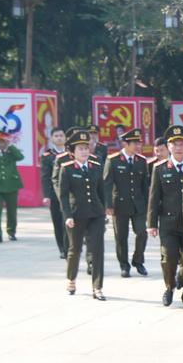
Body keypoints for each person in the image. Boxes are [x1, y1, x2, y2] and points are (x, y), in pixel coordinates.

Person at [148, 125, 183, 308]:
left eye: (182, 144)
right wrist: (151, 223)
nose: (178, 147)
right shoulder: (160, 168)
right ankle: (169, 287)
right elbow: (154, 198)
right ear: (169, 146)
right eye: (174, 144)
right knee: (168, 259)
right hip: (168, 223)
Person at [57, 129, 107, 301]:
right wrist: (67, 216)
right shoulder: (67, 169)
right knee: (75, 250)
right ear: (72, 152)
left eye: (86, 147)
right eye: (80, 148)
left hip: (95, 214)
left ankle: (97, 287)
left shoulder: (96, 167)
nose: (85, 151)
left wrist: (104, 211)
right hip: (76, 215)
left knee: (97, 250)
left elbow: (102, 191)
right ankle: (71, 279)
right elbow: (63, 196)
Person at [103, 128, 150, 277]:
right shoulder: (113, 160)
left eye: (139, 143)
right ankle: (124, 264)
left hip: (139, 204)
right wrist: (108, 205)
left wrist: (149, 205)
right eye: (135, 143)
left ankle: (138, 260)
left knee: (142, 232)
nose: (138, 146)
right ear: (125, 144)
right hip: (120, 204)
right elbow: (107, 184)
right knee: (121, 237)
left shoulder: (142, 161)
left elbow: (145, 186)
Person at [40, 126, 68, 257]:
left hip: (70, 193)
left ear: (65, 137)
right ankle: (62, 248)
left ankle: (71, 246)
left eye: (61, 135)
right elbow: (45, 177)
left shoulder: (71, 153)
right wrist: (46, 195)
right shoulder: (47, 156)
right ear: (52, 139)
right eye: (56, 136)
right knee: (58, 221)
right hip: (54, 193)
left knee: (69, 220)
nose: (59, 138)